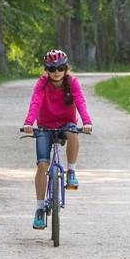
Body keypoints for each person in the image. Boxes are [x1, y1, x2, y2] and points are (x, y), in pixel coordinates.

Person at [21, 49, 94, 230]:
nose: (56, 72)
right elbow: (35, 102)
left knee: (73, 133)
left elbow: (80, 101)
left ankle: (71, 171)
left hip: (66, 123)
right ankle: (39, 208)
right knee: (42, 165)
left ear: (65, 68)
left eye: (60, 68)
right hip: (45, 125)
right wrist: (29, 122)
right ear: (46, 70)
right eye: (52, 69)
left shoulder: (72, 82)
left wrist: (87, 121)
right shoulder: (42, 83)